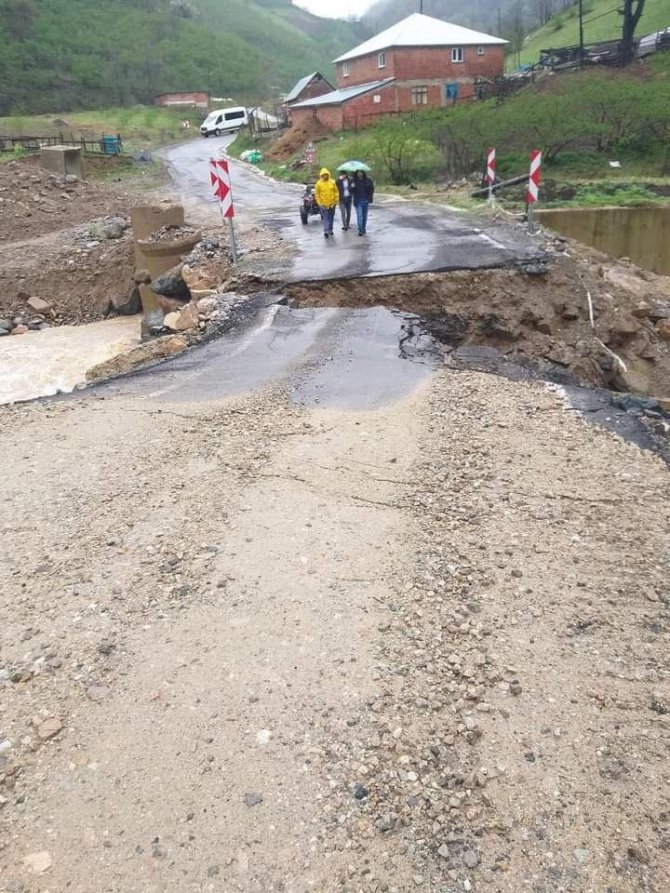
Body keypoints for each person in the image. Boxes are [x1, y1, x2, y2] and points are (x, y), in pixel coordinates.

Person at [314, 168, 339, 238]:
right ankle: (326, 231)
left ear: (328, 175)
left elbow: (336, 192)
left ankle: (330, 229)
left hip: (332, 204)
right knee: (325, 218)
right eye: (323, 175)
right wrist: (320, 203)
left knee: (331, 217)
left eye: (326, 175)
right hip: (323, 204)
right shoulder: (319, 184)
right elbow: (317, 194)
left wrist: (335, 201)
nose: (325, 176)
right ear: (321, 175)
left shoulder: (333, 182)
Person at [351, 169, 374, 236]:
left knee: (364, 216)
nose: (359, 174)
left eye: (361, 173)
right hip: (358, 201)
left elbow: (372, 189)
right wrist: (352, 187)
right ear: (356, 174)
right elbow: (351, 191)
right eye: (358, 173)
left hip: (366, 200)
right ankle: (360, 230)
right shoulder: (354, 181)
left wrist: (370, 197)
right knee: (359, 215)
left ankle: (363, 228)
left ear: (363, 173)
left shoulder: (368, 180)